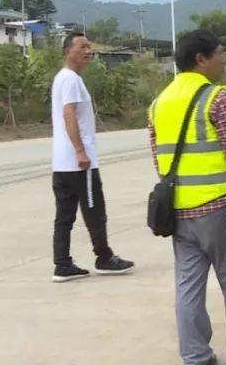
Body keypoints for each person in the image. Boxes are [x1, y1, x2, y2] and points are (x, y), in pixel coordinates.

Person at [148, 30, 226, 365]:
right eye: (220, 53)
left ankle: (195, 355)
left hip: (179, 212)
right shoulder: (218, 98)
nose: (224, 58)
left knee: (188, 286)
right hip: (221, 208)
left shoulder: (158, 103)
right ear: (200, 59)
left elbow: (158, 158)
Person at [51, 32, 134, 282]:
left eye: (90, 47)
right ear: (68, 51)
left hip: (62, 163)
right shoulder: (71, 80)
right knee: (94, 211)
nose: (89, 51)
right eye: (82, 47)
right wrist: (80, 150)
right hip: (79, 164)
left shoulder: (62, 78)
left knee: (64, 216)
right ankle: (104, 257)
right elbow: (69, 115)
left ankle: (62, 264)